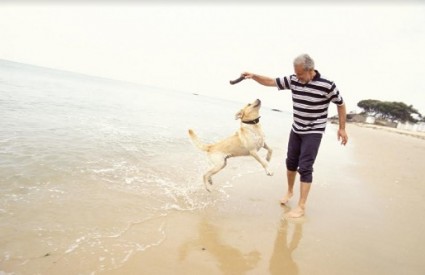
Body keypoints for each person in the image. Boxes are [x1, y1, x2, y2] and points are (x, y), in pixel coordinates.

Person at [242, 54, 348, 218]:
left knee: (305, 166)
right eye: (295, 74)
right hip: (297, 128)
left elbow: (340, 104)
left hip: (314, 130)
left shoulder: (327, 85)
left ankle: (301, 206)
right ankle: (290, 191)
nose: (297, 78)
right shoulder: (294, 80)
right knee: (290, 162)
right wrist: (254, 76)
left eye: (300, 74)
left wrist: (342, 128)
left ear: (310, 70)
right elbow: (271, 82)